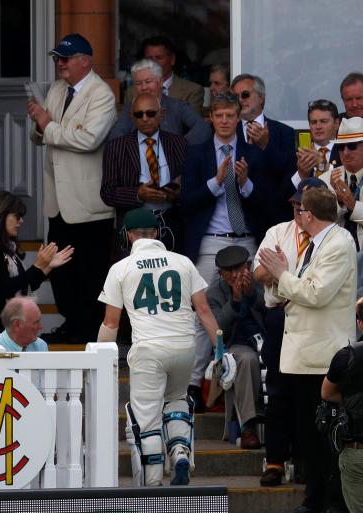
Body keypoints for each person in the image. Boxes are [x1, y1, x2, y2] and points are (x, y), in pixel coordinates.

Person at [98, 208, 220, 487]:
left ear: (128, 235)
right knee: (177, 401)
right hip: (184, 346)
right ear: (157, 233)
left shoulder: (121, 268)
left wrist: (97, 357)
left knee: (147, 418)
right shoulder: (184, 262)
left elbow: (111, 322)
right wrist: (220, 350)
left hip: (148, 349)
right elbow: (203, 310)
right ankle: (179, 452)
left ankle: (153, 482)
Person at [258, 186, 356, 513]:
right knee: (309, 438)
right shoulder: (315, 244)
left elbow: (316, 294)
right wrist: (281, 279)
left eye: (300, 210)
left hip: (322, 357)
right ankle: (314, 500)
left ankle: (329, 503)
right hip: (302, 356)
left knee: (325, 439)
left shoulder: (339, 243)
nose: (297, 215)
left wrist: (280, 274)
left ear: (308, 214)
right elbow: (292, 292)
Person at [182, 92, 271, 408]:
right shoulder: (197, 153)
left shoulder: (254, 153)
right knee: (203, 310)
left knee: (258, 303)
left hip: (247, 240)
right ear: (211, 118)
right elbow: (186, 201)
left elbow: (268, 203)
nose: (224, 121)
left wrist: (245, 184)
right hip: (212, 240)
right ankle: (194, 384)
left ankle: (259, 379)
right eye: (218, 115)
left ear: (239, 117)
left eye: (230, 115)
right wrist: (216, 182)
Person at [27, 33, 116, 344]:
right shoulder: (56, 89)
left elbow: (89, 140)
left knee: (90, 273)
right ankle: (71, 323)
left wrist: (48, 125)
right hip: (58, 201)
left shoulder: (101, 94)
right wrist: (40, 124)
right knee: (60, 271)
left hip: (88, 204)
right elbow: (40, 136)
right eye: (56, 58)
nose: (60, 64)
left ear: (85, 61)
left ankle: (89, 329)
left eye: (65, 58)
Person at [252, 177, 327, 487]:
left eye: (304, 205)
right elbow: (257, 273)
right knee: (279, 393)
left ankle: (307, 460)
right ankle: (275, 461)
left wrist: (282, 273)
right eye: (296, 204)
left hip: (313, 319)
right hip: (280, 316)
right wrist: (279, 271)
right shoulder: (278, 232)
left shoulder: (329, 239)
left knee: (310, 394)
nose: (299, 210)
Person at [0, 191, 72, 344]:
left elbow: (25, 285)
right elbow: (4, 288)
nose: (21, 221)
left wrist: (47, 267)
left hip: (11, 326)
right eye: (17, 216)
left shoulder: (5, 246)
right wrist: (38, 266)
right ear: (1, 215)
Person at [102, 93, 187, 252]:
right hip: (134, 226)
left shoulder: (179, 143)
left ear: (161, 114)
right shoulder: (117, 146)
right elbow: (107, 192)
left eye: (151, 113)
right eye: (139, 114)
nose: (145, 118)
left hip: (170, 222)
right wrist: (138, 194)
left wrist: (177, 193)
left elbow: (191, 186)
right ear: (131, 117)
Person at [206, 245, 265, 450]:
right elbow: (217, 328)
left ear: (247, 266)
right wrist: (235, 301)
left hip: (265, 340)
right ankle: (248, 426)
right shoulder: (214, 293)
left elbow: (272, 313)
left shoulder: (260, 282)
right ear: (221, 273)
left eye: (238, 269)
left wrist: (251, 295)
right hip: (235, 345)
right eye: (227, 271)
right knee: (246, 359)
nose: (233, 275)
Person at [231, 73, 297, 213]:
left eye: (245, 95)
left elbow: (287, 175)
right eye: (235, 97)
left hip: (271, 216)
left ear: (261, 97)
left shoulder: (284, 132)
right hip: (236, 217)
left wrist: (266, 146)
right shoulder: (227, 132)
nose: (240, 100)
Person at [0, 296, 49, 423]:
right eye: (36, 322)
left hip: (35, 421)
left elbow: (46, 392)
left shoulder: (41, 346)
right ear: (17, 324)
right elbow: (1, 403)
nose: (41, 327)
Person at [109, 60, 208, 145]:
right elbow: (115, 137)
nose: (144, 87)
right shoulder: (131, 109)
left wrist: (180, 145)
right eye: (138, 83)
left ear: (160, 82)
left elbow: (202, 128)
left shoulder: (177, 106)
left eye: (148, 82)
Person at [322, 320, 363, 513]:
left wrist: (350, 400)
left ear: (360, 324)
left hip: (357, 450)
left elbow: (327, 394)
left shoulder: (346, 355)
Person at [125, 36, 204, 116]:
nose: (153, 63)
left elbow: (193, 126)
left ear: (172, 59)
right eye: (149, 59)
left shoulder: (192, 91)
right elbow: (126, 123)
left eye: (158, 58)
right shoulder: (131, 92)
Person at [320, 117, 363, 248]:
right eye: (340, 146)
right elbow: (318, 222)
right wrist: (338, 203)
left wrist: (352, 204)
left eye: (351, 146)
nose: (345, 152)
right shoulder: (325, 179)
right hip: (337, 254)